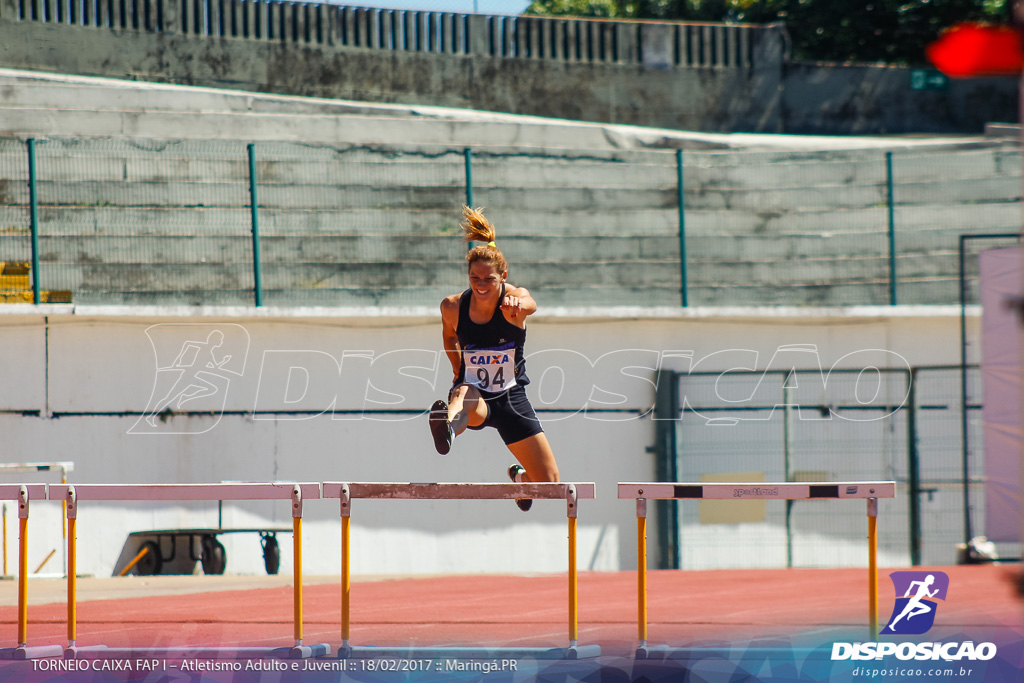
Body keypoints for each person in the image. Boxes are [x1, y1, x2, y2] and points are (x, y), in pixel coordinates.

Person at [428, 206, 560, 511]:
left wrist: (520, 301)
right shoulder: (453, 307)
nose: (481, 285)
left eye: (489, 279)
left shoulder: (511, 301)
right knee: (464, 395)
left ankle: (522, 479)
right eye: (475, 278)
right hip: (475, 397)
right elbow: (449, 336)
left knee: (552, 485)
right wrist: (457, 368)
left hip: (511, 398)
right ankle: (446, 427)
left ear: (503, 277)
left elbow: (531, 303)